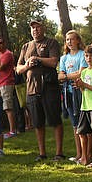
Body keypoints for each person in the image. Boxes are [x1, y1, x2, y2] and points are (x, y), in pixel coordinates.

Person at [15, 19, 65, 162]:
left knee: (55, 120)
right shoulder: (25, 46)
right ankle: (42, 153)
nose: (35, 30)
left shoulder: (51, 43)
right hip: (32, 89)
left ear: (43, 28)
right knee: (37, 123)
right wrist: (27, 66)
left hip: (49, 88)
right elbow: (18, 69)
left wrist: (38, 59)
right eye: (33, 28)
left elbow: (54, 61)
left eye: (38, 27)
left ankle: (59, 152)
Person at [59, 30, 87, 163]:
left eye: (72, 39)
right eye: (67, 40)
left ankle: (86, 154)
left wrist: (67, 76)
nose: (69, 42)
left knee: (84, 124)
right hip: (68, 93)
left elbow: (82, 73)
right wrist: (69, 76)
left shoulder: (82, 55)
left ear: (78, 40)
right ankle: (78, 154)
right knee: (74, 125)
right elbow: (60, 76)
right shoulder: (64, 58)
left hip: (81, 93)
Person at [0, 38, 18, 138]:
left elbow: (0, 68)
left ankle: (12, 131)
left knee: (8, 108)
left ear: (5, 43)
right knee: (5, 107)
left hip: (7, 83)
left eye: (1, 43)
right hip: (1, 83)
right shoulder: (1, 55)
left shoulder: (7, 54)